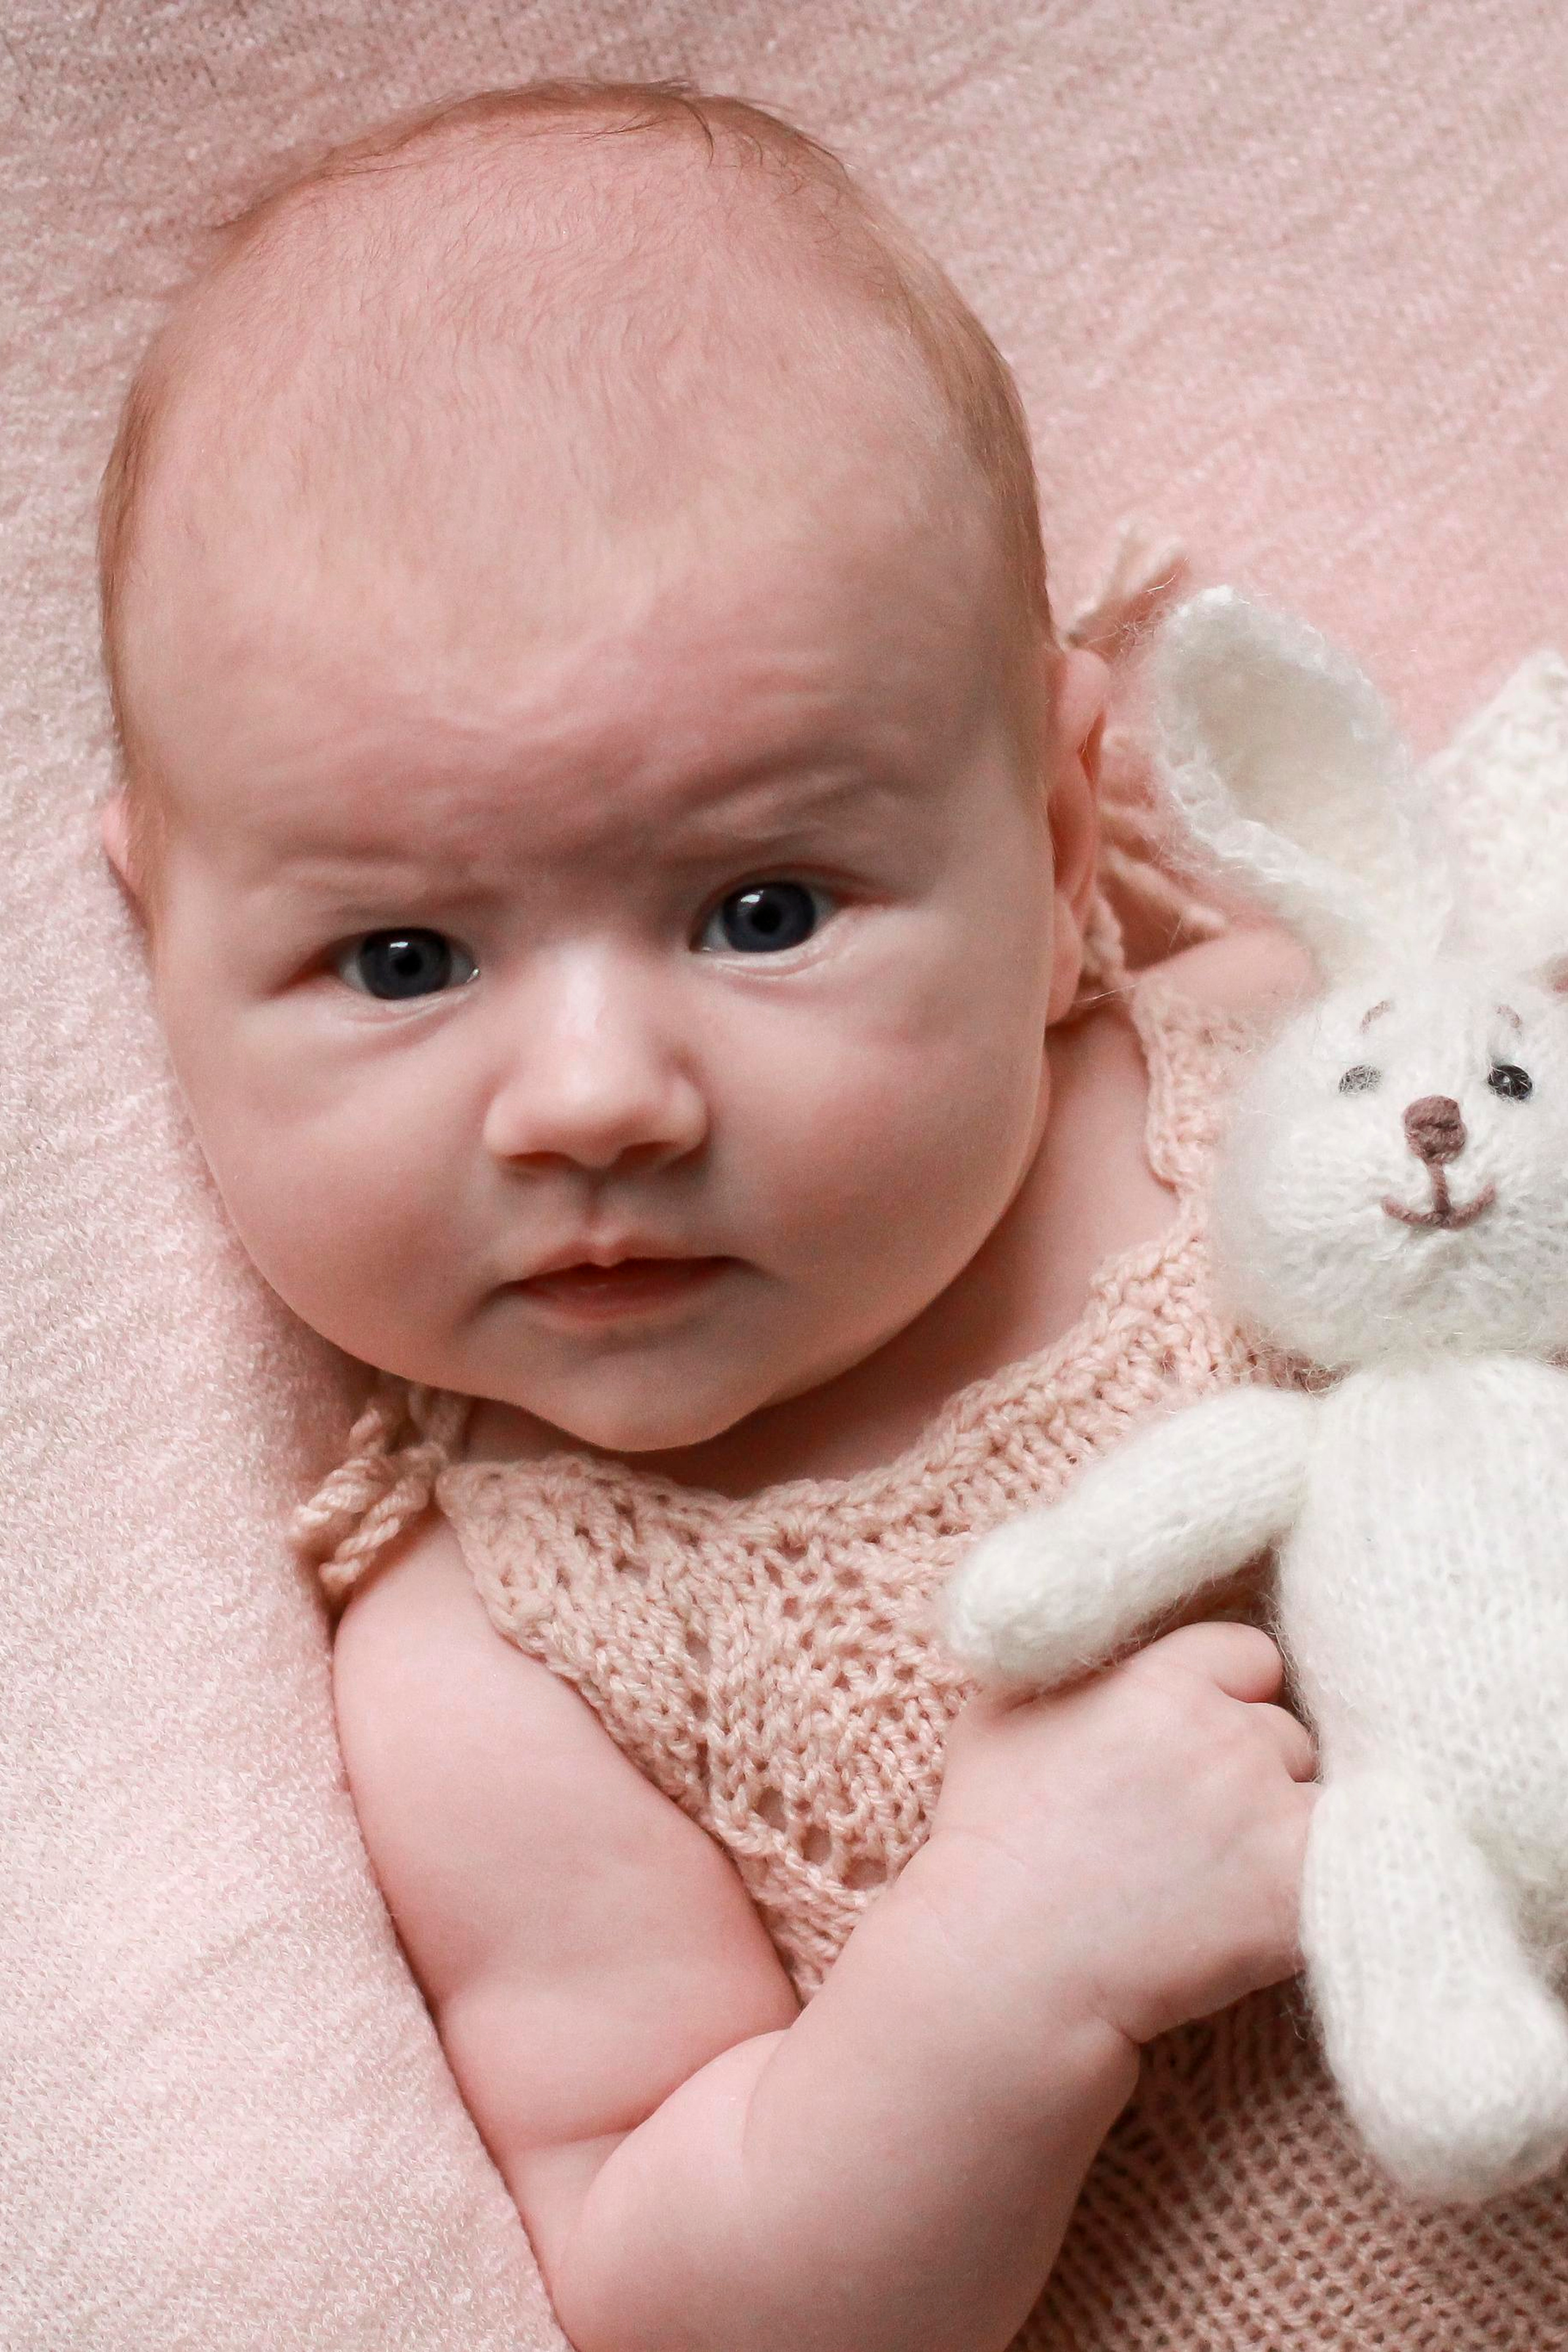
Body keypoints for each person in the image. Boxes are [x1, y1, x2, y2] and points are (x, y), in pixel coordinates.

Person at [95, 75, 1504, 2352]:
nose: (595, 1102)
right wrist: (994, 1985)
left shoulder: (1282, 1075)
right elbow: (684, 2296)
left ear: (1060, 856)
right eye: (401, 962)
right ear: (161, 944)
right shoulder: (504, 1665)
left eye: (761, 910)